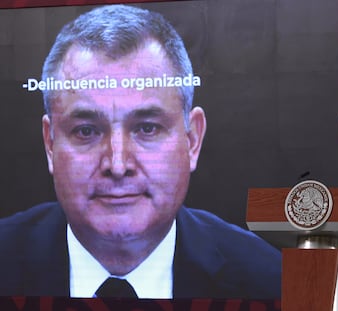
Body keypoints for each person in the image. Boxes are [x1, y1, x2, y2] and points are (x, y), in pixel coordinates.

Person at [0, 4, 281, 299]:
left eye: (147, 128)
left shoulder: (270, 282)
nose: (118, 165)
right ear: (50, 143)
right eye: (86, 131)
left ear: (192, 140)